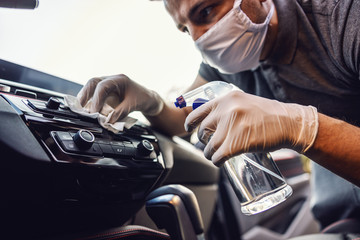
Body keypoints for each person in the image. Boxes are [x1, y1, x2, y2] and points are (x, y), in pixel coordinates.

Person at [77, 0, 360, 230]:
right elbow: (184, 113)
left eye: (207, 11)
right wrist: (152, 103)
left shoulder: (343, 19)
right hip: (339, 218)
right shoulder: (227, 64)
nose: (199, 39)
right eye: (186, 30)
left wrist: (302, 128)